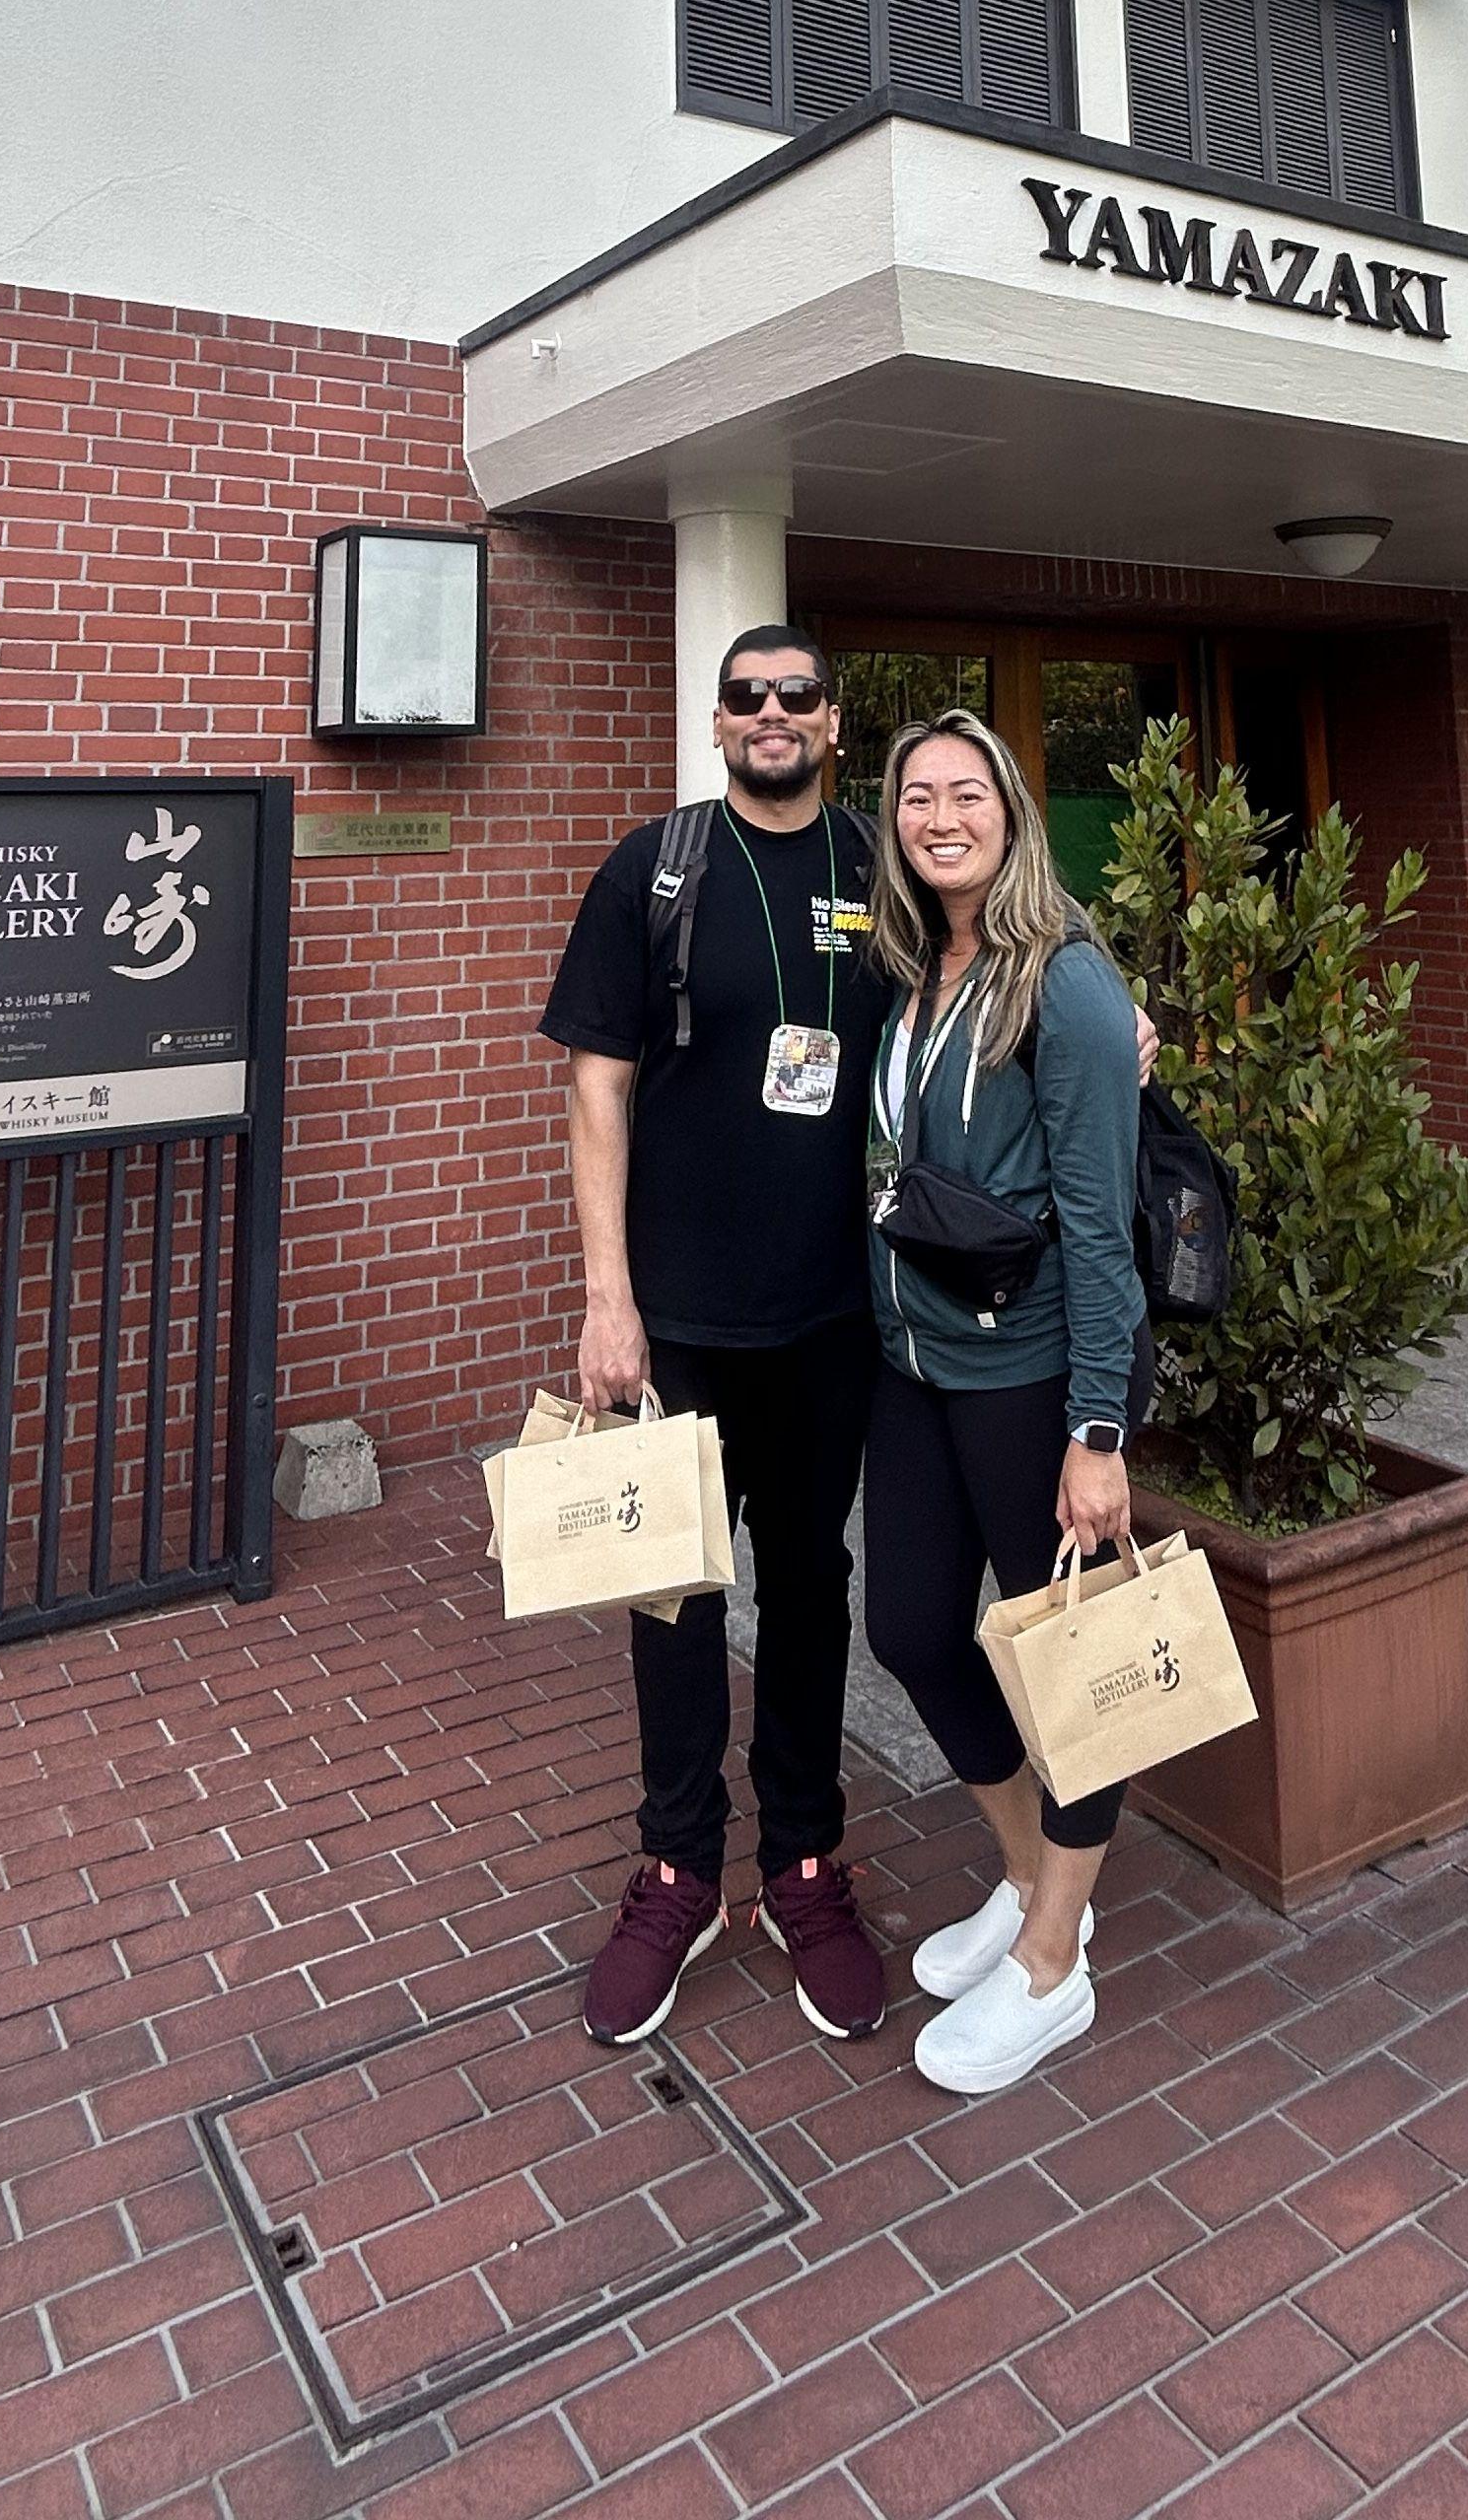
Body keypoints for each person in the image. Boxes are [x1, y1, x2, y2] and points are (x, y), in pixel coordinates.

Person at [537, 626, 896, 2047]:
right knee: (675, 1598)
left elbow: (1001, 968)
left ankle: (803, 1857)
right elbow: (596, 1089)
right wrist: (606, 1297)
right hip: (678, 1319)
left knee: (810, 1588)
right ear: (718, 721)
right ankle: (679, 1867)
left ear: (833, 720)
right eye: (747, 696)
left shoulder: (880, 867)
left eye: (797, 694)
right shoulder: (655, 870)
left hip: (833, 1314)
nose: (771, 713)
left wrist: (1121, 1016)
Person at [858, 707, 1154, 2099]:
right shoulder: (916, 968)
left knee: (1067, 1668)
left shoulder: (1065, 980)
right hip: (915, 1366)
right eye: (916, 796)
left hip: (1031, 1373)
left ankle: (1052, 1965)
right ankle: (1035, 1877)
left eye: (966, 792)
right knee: (913, 1627)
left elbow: (1099, 1224)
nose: (940, 817)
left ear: (1012, 814)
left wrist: (1099, 1431)